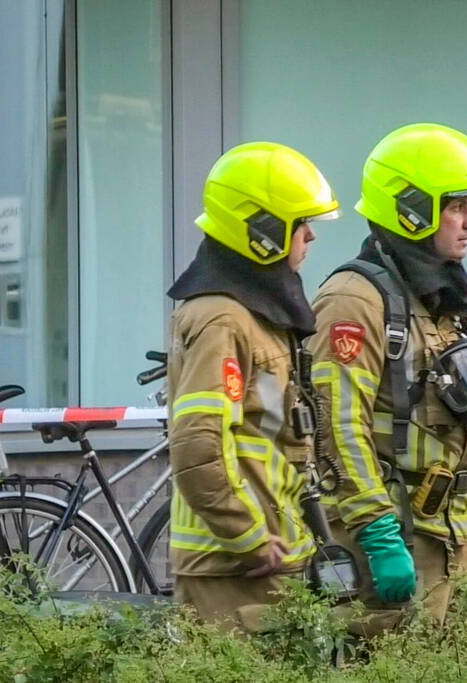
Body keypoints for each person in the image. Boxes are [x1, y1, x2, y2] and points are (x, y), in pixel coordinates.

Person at [308, 123, 467, 629]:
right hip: (397, 543)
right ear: (410, 208)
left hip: (460, 537)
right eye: (456, 206)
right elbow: (338, 429)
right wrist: (377, 534)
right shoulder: (354, 300)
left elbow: (464, 427)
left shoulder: (448, 305)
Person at [166, 141, 341, 632]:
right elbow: (199, 444)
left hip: (267, 556)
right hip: (235, 567)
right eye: (299, 223)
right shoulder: (224, 318)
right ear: (262, 231)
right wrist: (247, 536)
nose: (310, 236)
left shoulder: (253, 312)